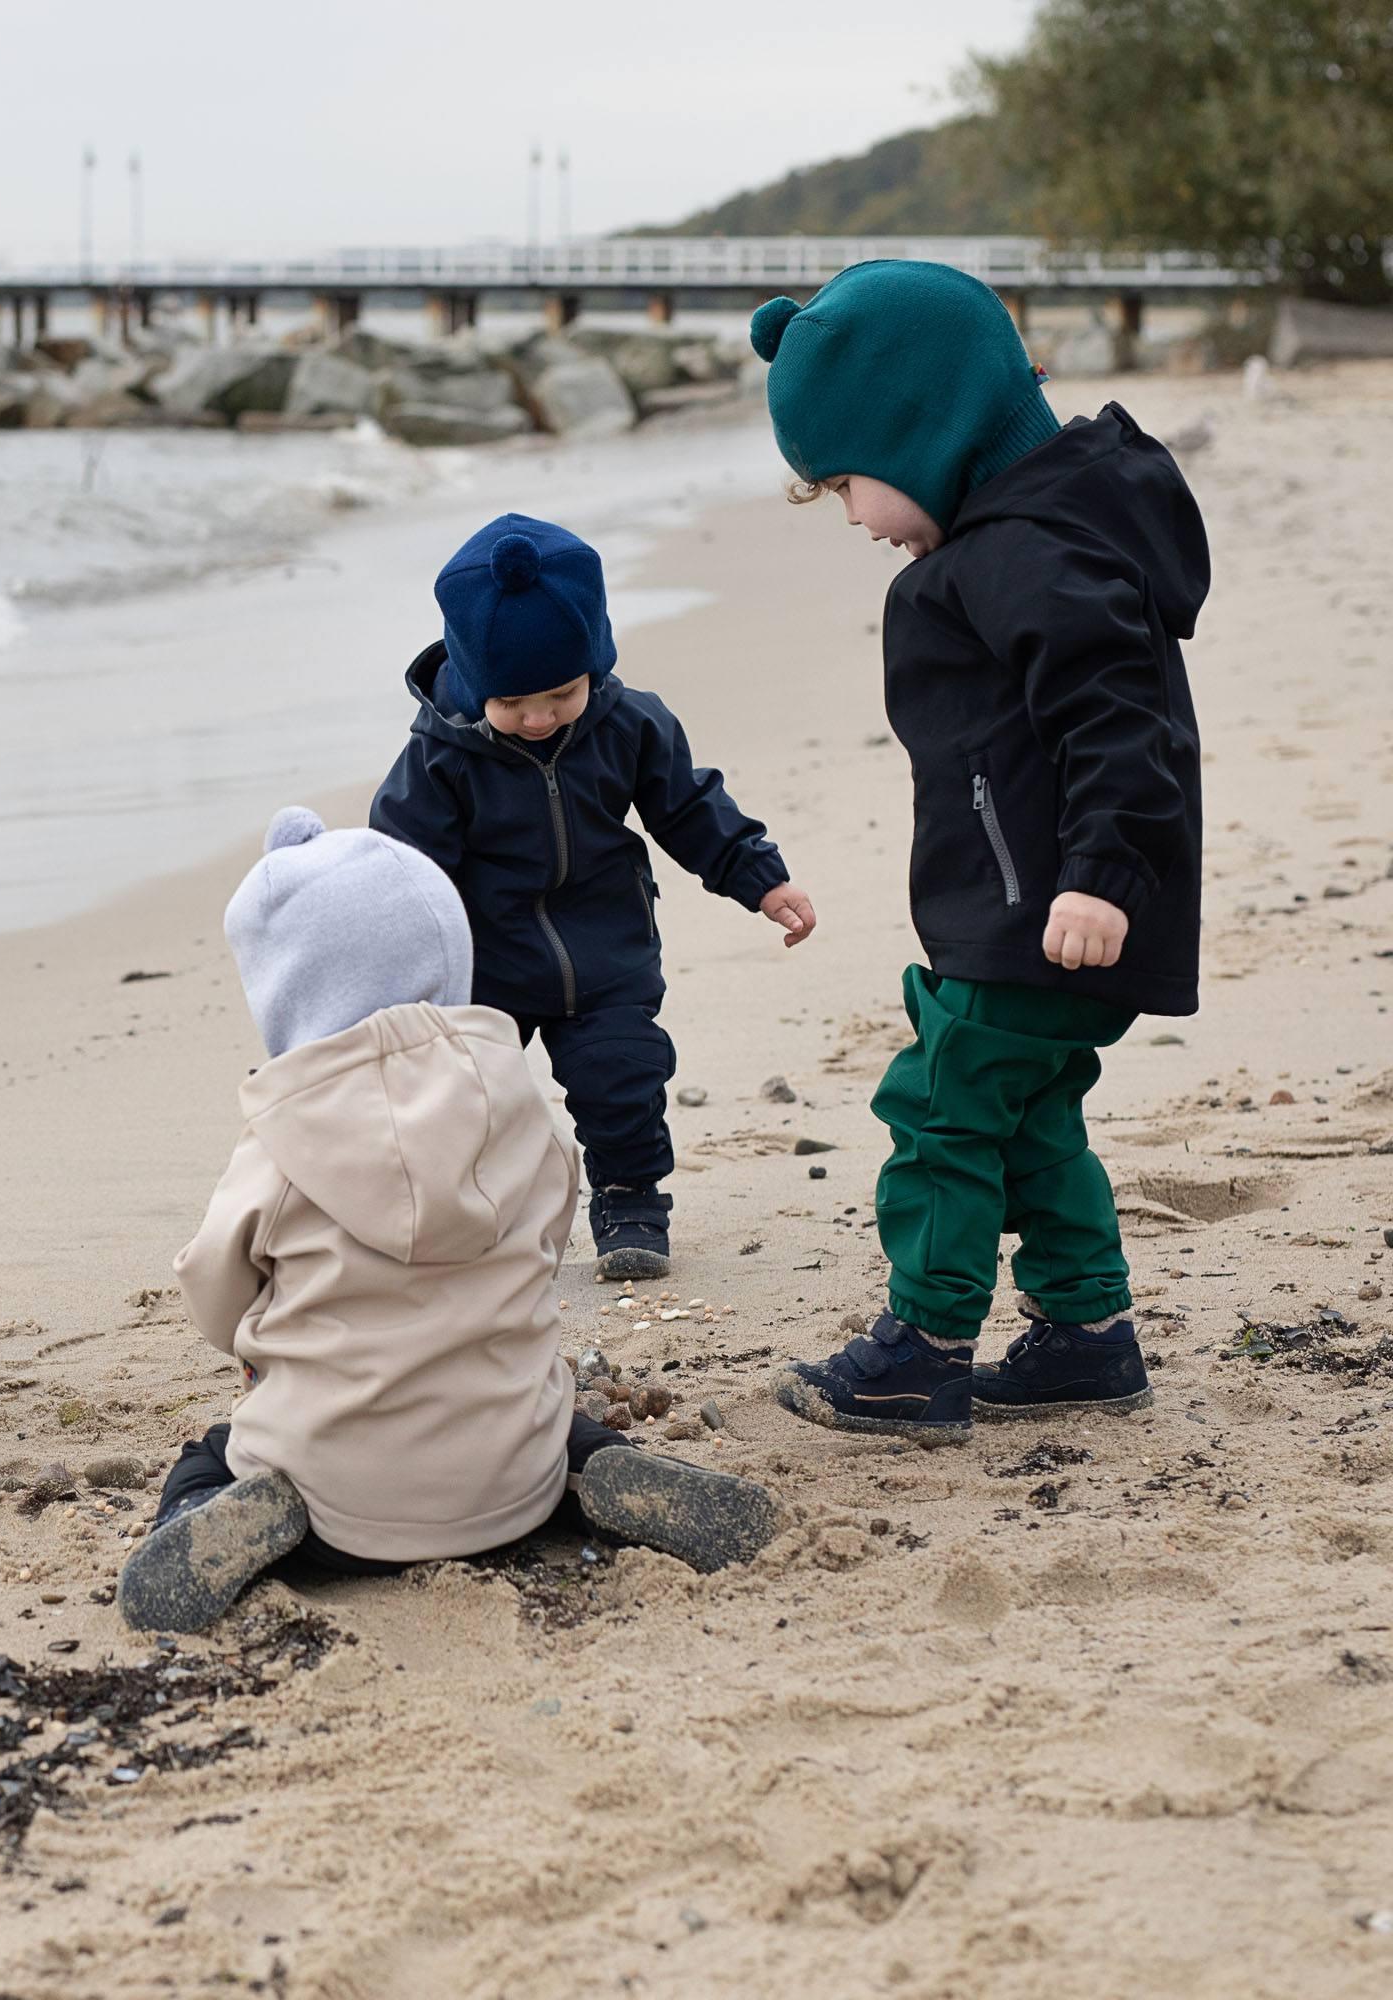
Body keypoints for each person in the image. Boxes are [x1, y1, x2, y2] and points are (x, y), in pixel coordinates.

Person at [118, 809, 779, 1633]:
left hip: (335, 1512)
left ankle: (208, 1513)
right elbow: (541, 1250)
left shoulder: (279, 1146)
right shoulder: (522, 1111)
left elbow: (214, 1297)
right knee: (552, 1420)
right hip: (512, 1493)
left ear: (284, 989)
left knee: (210, 1455)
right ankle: (597, 1470)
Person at [749, 261, 1207, 1444]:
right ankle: (1086, 1335)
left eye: (848, 481)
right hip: (1032, 903)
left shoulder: (1028, 551)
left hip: (1048, 907)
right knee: (1031, 1116)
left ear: (924, 429)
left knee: (942, 1108)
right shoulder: (1021, 532)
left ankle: (921, 1349)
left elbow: (1119, 719)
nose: (853, 516)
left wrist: (1099, 874)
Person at [370, 514, 816, 1281]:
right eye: (513, 703)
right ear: (476, 681)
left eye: (561, 693)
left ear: (595, 665)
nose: (539, 718)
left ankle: (630, 1199)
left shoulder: (628, 721)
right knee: (467, 1106)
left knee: (625, 1077)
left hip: (607, 946)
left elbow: (686, 806)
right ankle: (474, 1224)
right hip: (488, 967)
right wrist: (393, 971)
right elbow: (402, 872)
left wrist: (758, 875)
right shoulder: (439, 759)